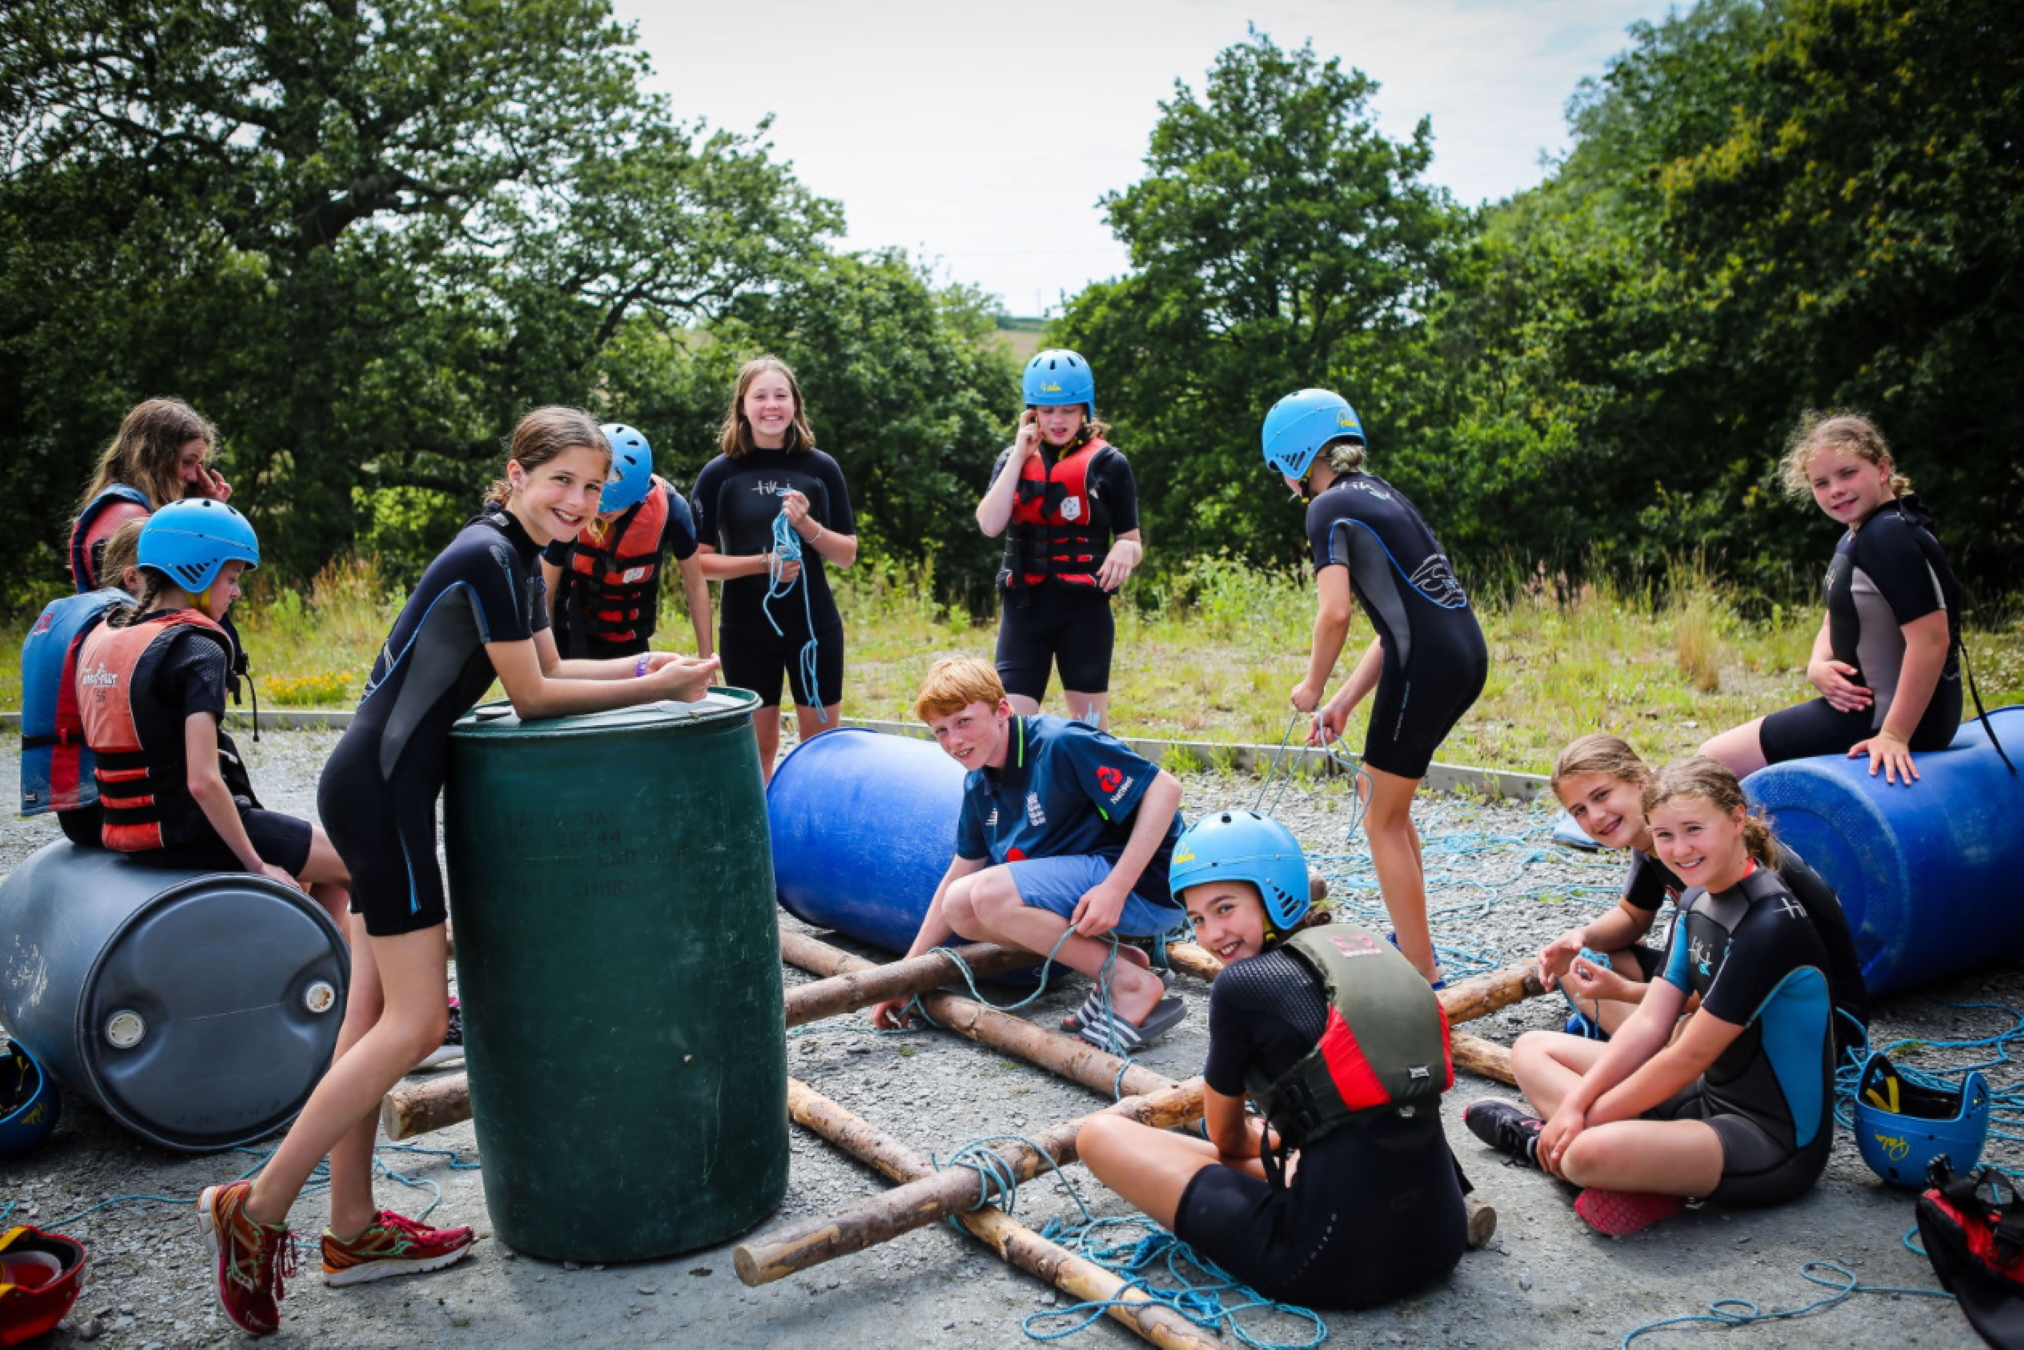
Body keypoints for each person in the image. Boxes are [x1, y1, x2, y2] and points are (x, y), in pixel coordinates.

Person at [193, 407, 720, 1338]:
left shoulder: (517, 560)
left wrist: (644, 659)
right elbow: (533, 699)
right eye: (561, 480)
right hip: (386, 792)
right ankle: (259, 1205)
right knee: (417, 1022)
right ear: (515, 475)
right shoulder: (487, 554)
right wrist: (662, 690)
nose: (580, 502)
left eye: (594, 489)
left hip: (382, 785)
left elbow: (557, 663)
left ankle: (350, 1229)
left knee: (368, 1015)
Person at [1078, 810, 1468, 1309]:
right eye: (1197, 919)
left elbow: (1228, 1137)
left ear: (1273, 892)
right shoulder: (1365, 949)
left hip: (1331, 1264)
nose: (1211, 934)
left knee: (1099, 1134)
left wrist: (1276, 1136)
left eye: (1224, 908)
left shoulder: (1242, 985)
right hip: (1441, 1237)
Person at [1465, 757, 1839, 1237]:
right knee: (1531, 1049)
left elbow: (1687, 1055)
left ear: (1737, 819)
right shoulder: (1696, 899)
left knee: (1585, 1152)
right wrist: (1579, 1104)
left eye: (1693, 830)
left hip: (1768, 1139)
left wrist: (1582, 1122)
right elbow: (1650, 1024)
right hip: (1704, 1097)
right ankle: (1627, 1167)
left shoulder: (1769, 924)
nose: (1679, 850)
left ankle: (1545, 1144)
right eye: (1664, 835)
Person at [1265, 388, 1489, 985]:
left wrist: (1312, 685)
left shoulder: (1326, 508)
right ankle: (1414, 941)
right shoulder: (1380, 493)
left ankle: (1421, 971)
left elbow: (1335, 613)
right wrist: (1343, 701)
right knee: (1389, 801)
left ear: (1291, 458)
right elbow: (1398, 626)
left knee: (1379, 817)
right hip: (1463, 654)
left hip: (1427, 664)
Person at [870, 658, 1187, 1052]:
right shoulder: (978, 782)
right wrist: (906, 976)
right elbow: (957, 875)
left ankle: (1129, 984)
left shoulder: (1059, 742)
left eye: (964, 721)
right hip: (1096, 887)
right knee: (960, 906)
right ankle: (1121, 964)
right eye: (940, 730)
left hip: (1149, 884)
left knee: (988, 894)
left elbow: (1166, 790)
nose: (953, 741)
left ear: (1003, 709)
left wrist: (1115, 888)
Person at [70, 502, 351, 929]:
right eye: (232, 578)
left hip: (128, 831)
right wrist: (257, 865)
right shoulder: (198, 647)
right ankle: (356, 992)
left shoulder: (105, 633)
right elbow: (202, 781)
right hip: (190, 832)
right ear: (194, 569)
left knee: (316, 869)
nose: (237, 592)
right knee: (357, 865)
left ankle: (331, 974)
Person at [1541, 734, 1868, 1052]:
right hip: (1740, 991)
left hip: (1816, 1028)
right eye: (1579, 811)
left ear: (1642, 781)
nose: (1595, 816)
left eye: (1601, 795)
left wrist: (1626, 993)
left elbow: (1732, 987)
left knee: (1556, 1043)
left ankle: (1649, 1059)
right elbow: (1632, 917)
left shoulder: (1710, 858)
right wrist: (1579, 938)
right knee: (1576, 963)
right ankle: (1643, 1047)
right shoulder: (1662, 839)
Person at [1701, 412, 1964, 785]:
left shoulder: (1888, 537)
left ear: (1883, 469)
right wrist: (1817, 663)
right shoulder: (1861, 534)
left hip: (1881, 720)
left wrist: (1894, 735)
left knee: (1713, 760)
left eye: (1847, 473)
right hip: (1867, 710)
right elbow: (1837, 616)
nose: (1835, 489)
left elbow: (1932, 639)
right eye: (1821, 483)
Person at [690, 357, 856, 779]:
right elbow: (699, 564)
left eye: (781, 396)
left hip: (813, 627)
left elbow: (846, 553)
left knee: (820, 750)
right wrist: (765, 564)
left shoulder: (821, 468)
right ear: (742, 406)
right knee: (758, 750)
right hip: (747, 630)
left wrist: (806, 525)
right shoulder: (718, 474)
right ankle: (760, 841)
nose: (771, 406)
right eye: (760, 396)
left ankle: (810, 840)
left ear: (795, 404)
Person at [975, 349, 1143, 730]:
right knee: (1011, 727)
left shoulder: (1110, 464)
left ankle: (1086, 790)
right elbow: (989, 524)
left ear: (1085, 408)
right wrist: (1019, 456)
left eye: (1068, 409)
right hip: (1025, 608)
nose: (1057, 420)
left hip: (1084, 610)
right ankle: (1022, 791)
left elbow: (1133, 541)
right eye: (1047, 410)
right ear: (1031, 411)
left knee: (1088, 729)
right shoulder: (1011, 459)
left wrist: (1124, 548)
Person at [540, 422, 712, 661]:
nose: (604, 515)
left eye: (615, 508)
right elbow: (544, 589)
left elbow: (695, 584)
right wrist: (545, 661)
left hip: (630, 639)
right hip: (570, 636)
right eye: (599, 507)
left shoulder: (672, 509)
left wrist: (706, 657)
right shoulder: (572, 503)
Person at [21, 522, 145, 849]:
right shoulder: (123, 624)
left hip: (73, 813)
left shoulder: (73, 614)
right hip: (119, 814)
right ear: (132, 578)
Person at [69, 397, 232, 593]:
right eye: (187, 462)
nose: (193, 476)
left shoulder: (130, 509)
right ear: (155, 460)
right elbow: (163, 596)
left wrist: (205, 511)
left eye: (199, 466)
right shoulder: (128, 515)